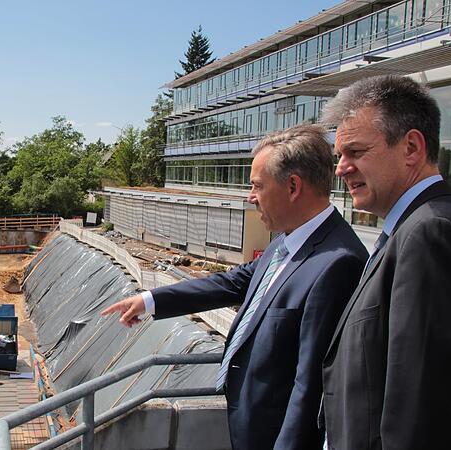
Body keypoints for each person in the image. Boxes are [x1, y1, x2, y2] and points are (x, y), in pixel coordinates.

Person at [102, 124, 368, 450]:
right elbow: (233, 282)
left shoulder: (337, 263)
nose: (250, 197)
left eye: (257, 186)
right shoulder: (289, 238)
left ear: (293, 186)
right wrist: (150, 300)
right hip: (250, 427)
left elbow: (311, 388)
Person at [320, 75, 451, 449]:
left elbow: (425, 416)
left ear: (411, 147)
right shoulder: (415, 230)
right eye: (339, 156)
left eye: (356, 152)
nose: (341, 168)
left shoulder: (433, 235)